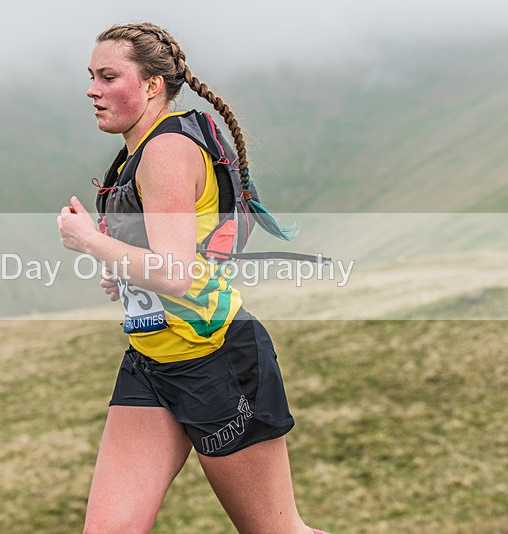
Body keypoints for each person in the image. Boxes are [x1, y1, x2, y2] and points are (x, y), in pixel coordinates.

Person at [57, 22, 328, 534]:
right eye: (91, 76)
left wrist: (89, 241)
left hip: (217, 362)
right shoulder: (139, 152)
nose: (92, 90)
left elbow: (177, 275)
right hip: (152, 363)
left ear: (153, 85)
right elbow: (176, 261)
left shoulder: (166, 150)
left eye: (108, 76)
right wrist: (124, 271)